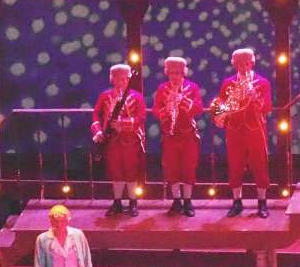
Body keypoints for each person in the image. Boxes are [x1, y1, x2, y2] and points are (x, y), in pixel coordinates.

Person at [209, 48, 273, 218]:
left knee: (259, 165)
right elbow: (220, 105)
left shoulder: (262, 82)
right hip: (235, 130)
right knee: (235, 165)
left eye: (246, 63)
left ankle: (262, 203)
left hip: (255, 129)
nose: (243, 67)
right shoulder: (228, 83)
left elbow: (267, 107)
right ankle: (237, 202)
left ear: (252, 63)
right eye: (239, 64)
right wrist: (218, 116)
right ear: (235, 64)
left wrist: (254, 96)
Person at [92, 63, 146, 217]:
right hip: (111, 141)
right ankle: (117, 202)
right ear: (112, 79)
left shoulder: (137, 97)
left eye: (124, 79)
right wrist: (98, 131)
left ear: (128, 79)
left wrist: (123, 124)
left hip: (131, 140)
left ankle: (133, 201)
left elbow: (141, 117)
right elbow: (96, 114)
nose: (121, 82)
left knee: (131, 170)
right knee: (115, 171)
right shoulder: (105, 96)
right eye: (118, 79)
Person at [152, 57, 203, 217]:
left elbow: (199, 108)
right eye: (172, 73)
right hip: (169, 134)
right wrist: (166, 109)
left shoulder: (192, 87)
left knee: (189, 168)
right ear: (168, 73)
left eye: (178, 73)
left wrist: (185, 102)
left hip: (188, 134)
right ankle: (176, 201)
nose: (174, 76)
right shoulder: (162, 88)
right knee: (171, 168)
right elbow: (155, 110)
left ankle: (187, 201)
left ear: (183, 73)